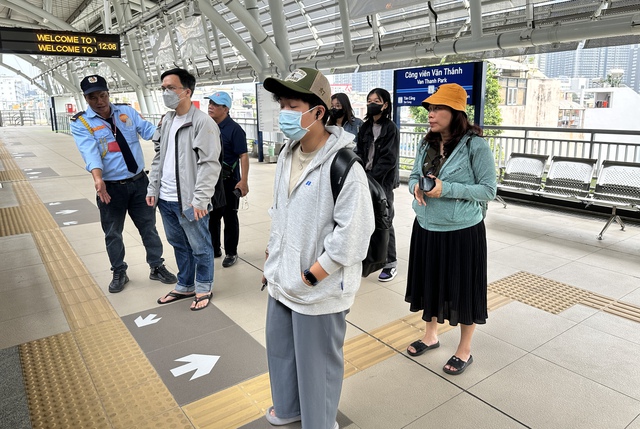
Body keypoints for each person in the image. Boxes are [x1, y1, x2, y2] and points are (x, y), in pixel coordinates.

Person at [262, 67, 374, 429]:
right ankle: (291, 408)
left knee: (317, 366)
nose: (284, 112)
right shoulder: (287, 153)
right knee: (282, 353)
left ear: (319, 112)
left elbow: (354, 235)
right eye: (282, 103)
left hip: (317, 287)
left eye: (292, 105)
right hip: (282, 278)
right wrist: (273, 255)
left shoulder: (344, 165)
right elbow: (281, 211)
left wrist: (312, 275)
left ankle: (320, 423)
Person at [404, 83, 497, 375]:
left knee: (464, 289)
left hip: (462, 231)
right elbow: (410, 177)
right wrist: (417, 187)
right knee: (430, 282)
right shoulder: (426, 143)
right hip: (426, 225)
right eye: (429, 109)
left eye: (437, 109)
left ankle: (464, 350)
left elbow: (488, 190)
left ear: (456, 112)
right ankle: (431, 335)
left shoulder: (475, 145)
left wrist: (446, 189)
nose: (430, 115)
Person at [70, 74, 177, 293]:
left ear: (108, 93)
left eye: (103, 95)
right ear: (85, 99)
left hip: (139, 183)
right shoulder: (82, 123)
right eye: (93, 98)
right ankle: (119, 271)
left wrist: (167, 126)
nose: (99, 101)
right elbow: (90, 153)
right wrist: (98, 179)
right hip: (110, 187)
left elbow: (149, 132)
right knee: (113, 232)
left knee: (149, 227)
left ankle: (156, 266)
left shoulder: (126, 112)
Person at [146, 68, 222, 311]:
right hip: (166, 199)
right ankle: (185, 284)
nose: (165, 93)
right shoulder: (167, 120)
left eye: (171, 88)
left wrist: (200, 200)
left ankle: (203, 286)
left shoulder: (202, 123)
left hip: (189, 201)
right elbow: (159, 157)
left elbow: (210, 164)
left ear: (187, 91)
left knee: (200, 246)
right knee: (179, 244)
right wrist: (153, 187)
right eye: (163, 89)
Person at [355, 88, 400, 282]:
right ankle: (369, 258)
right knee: (364, 219)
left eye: (376, 100)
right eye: (369, 100)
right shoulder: (364, 128)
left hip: (382, 182)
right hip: (364, 179)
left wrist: (371, 178)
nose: (372, 103)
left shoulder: (390, 128)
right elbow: (359, 152)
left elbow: (389, 159)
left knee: (384, 219)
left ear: (386, 105)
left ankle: (390, 263)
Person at [206, 91, 249, 267]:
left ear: (225, 108)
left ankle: (231, 252)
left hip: (229, 180)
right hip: (211, 181)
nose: (210, 106)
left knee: (230, 217)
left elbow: (243, 156)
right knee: (212, 216)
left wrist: (244, 181)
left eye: (215, 104)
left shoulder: (235, 129)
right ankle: (214, 248)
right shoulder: (207, 126)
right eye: (210, 103)